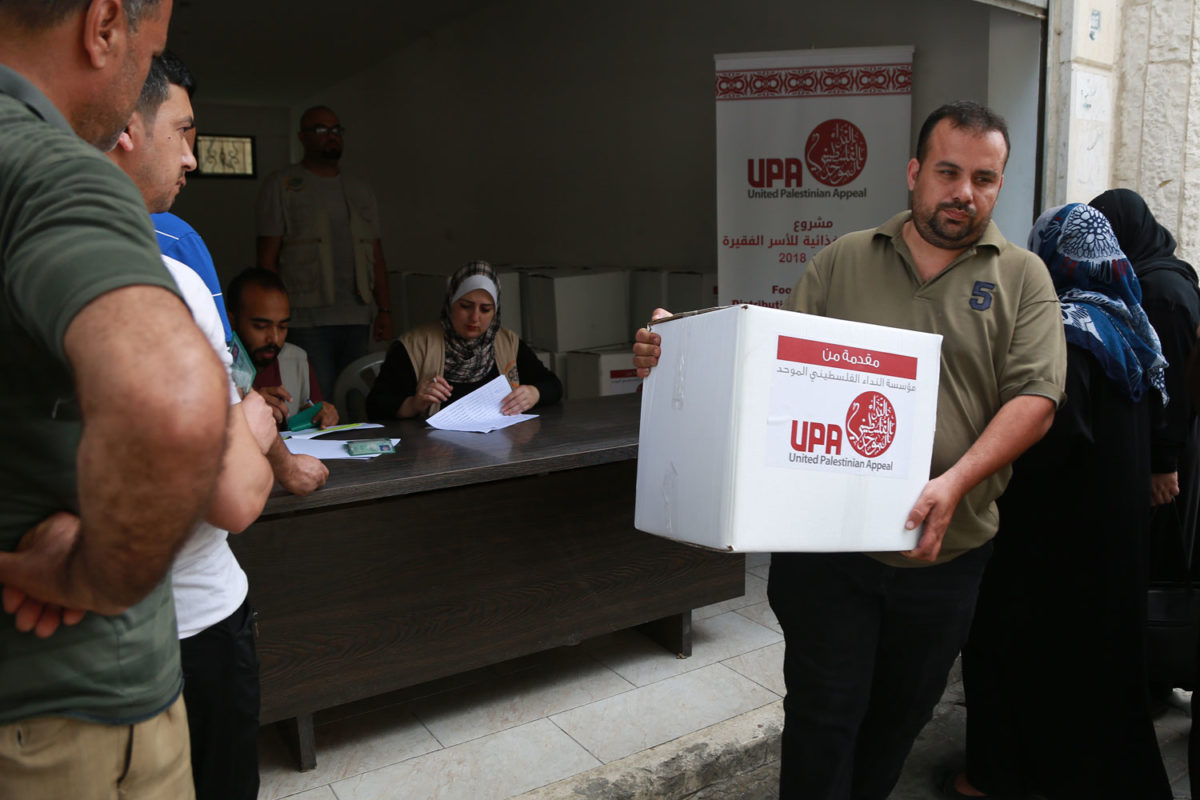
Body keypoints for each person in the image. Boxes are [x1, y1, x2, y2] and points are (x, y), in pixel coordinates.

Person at [633, 101, 1066, 800]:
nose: (964, 192)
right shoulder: (844, 259)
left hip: (943, 554)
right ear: (914, 172)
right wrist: (676, 347)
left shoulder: (1024, 279)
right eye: (949, 171)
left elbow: (1036, 399)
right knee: (823, 714)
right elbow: (768, 369)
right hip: (828, 553)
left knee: (900, 715)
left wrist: (954, 481)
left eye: (984, 178)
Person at [0, 1, 232, 798]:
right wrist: (96, 575)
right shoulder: (49, 171)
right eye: (152, 48)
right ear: (104, 27)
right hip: (64, 722)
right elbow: (171, 404)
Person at [953, 203, 1172, 800]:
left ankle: (1000, 774)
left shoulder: (1067, 332)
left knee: (1014, 649)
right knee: (1099, 660)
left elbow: (1050, 436)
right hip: (1112, 529)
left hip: (1055, 534)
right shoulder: (1129, 324)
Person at [106, 51, 279, 800]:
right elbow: (234, 494)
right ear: (123, 132)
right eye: (182, 132)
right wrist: (254, 425)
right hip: (191, 619)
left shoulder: (179, 243)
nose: (192, 157)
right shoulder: (163, 274)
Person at [1089, 190, 1200, 577]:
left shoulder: (1160, 293)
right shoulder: (1154, 279)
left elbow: (1174, 385)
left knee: (1159, 563)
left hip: (1164, 459)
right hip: (1158, 447)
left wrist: (1163, 463)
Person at [255, 104, 393, 399]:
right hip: (307, 317)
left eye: (335, 130)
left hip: (357, 315)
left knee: (355, 395)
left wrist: (384, 310)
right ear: (302, 137)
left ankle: (358, 446)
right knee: (318, 398)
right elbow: (267, 257)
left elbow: (376, 254)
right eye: (320, 130)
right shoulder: (282, 185)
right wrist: (271, 316)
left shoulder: (360, 189)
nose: (331, 136)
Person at [367, 260, 562, 419]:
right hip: (435, 455)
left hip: (499, 449)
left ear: (495, 312)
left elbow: (553, 385)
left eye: (485, 310)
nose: (475, 318)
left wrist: (533, 394)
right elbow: (375, 406)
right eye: (466, 306)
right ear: (451, 302)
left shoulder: (505, 342)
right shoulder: (416, 346)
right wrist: (414, 404)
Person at [228, 267, 340, 429]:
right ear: (231, 321)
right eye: (260, 326)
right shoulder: (214, 368)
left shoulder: (296, 359)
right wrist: (246, 409)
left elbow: (312, 411)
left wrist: (322, 415)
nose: (274, 338)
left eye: (282, 327)